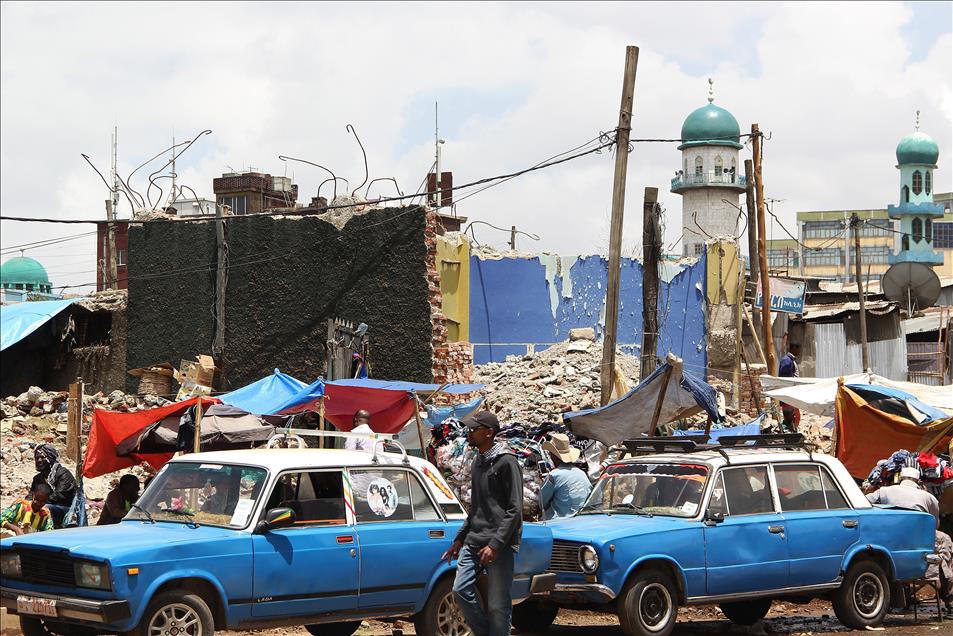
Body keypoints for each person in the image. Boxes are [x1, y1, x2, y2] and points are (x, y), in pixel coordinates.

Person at [442, 411, 522, 636]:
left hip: (499, 545)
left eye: (474, 429)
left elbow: (515, 510)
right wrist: (459, 539)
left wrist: (495, 545)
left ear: (489, 433)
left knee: (498, 605)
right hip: (474, 540)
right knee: (459, 590)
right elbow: (476, 509)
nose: (470, 432)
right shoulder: (478, 461)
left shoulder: (507, 462)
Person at [867, 467, 952, 616]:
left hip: (890, 543)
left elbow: (864, 502)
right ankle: (949, 599)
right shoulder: (927, 497)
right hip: (918, 543)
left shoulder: (884, 491)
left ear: (900, 479)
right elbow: (934, 524)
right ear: (918, 481)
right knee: (945, 541)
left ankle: (902, 597)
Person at [540, 433, 592, 520]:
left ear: (554, 457)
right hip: (581, 518)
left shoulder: (554, 475)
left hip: (559, 521)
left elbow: (541, 502)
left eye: (550, 454)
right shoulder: (581, 473)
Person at [31, 443, 76, 528]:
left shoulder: (63, 474)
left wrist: (40, 503)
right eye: (37, 458)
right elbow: (32, 495)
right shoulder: (38, 478)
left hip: (67, 509)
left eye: (43, 457)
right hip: (45, 505)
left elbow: (60, 495)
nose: (39, 460)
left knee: (45, 508)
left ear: (51, 458)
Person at [778, 341, 801, 432]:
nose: (799, 352)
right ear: (793, 348)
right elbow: (785, 379)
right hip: (788, 394)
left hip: (790, 394)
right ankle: (790, 433)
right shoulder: (787, 361)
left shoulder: (790, 360)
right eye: (798, 349)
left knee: (794, 415)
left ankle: (791, 431)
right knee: (791, 415)